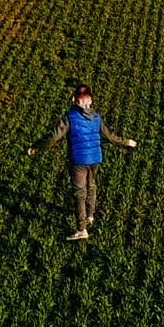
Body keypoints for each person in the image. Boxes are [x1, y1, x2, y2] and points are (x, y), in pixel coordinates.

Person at [27, 83, 137, 239]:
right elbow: (110, 137)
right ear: (90, 101)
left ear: (74, 100)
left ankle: (81, 229)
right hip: (95, 159)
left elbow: (54, 137)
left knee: (80, 193)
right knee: (91, 186)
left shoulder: (69, 118)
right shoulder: (97, 118)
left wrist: (37, 148)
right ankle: (90, 215)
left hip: (78, 160)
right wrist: (127, 142)